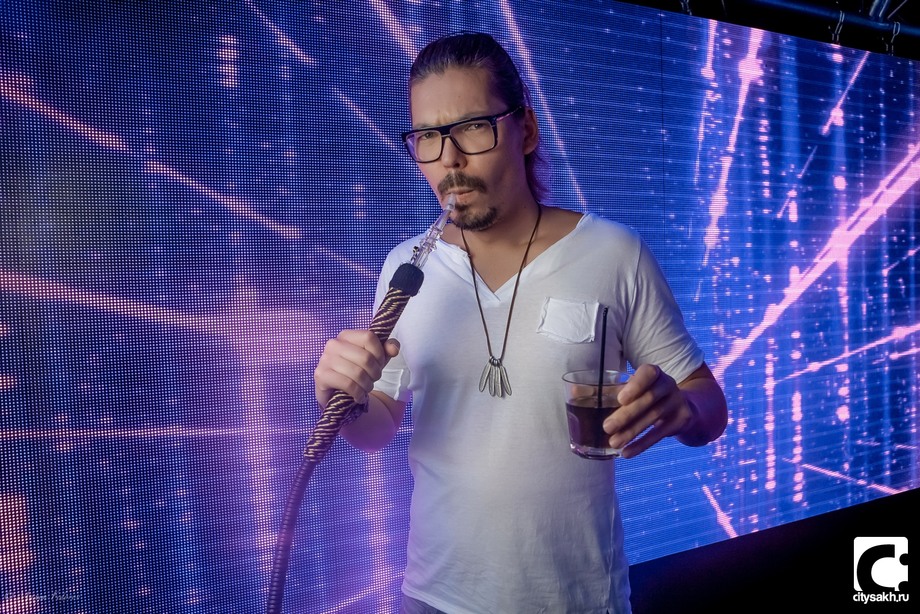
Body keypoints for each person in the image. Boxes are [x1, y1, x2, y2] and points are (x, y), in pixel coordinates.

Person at [314, 31, 728, 614]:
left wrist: (683, 409)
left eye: (472, 127)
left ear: (526, 131)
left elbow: (710, 406)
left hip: (578, 601)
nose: (449, 160)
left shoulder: (614, 253)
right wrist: (345, 399)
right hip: (433, 597)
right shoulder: (406, 267)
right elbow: (376, 427)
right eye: (427, 137)